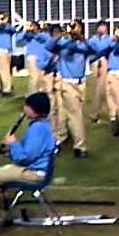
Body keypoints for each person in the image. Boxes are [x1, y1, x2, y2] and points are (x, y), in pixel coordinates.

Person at [0, 92, 55, 230]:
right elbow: (29, 154)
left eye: (27, 106)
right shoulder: (42, 126)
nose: (24, 108)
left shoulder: (38, 129)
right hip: (35, 170)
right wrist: (8, 151)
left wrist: (13, 143)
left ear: (34, 109)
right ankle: (0, 213)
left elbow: (25, 158)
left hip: (33, 173)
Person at [52, 22, 91, 158]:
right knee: (76, 114)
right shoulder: (64, 44)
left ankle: (58, 139)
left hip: (81, 83)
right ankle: (80, 146)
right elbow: (49, 46)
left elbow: (95, 50)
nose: (73, 29)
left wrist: (80, 37)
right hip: (67, 83)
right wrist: (61, 35)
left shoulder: (84, 45)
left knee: (64, 112)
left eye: (76, 27)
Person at [87, 22, 115, 123]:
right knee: (100, 90)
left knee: (108, 89)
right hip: (97, 64)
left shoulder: (109, 39)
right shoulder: (92, 40)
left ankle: (113, 114)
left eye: (104, 27)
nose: (103, 29)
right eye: (101, 27)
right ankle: (95, 114)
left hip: (106, 63)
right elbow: (96, 50)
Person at [16, 21, 53, 95]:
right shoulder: (28, 36)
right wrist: (26, 31)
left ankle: (40, 94)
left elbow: (43, 38)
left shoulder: (46, 35)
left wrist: (35, 33)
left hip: (43, 59)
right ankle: (31, 94)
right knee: (34, 78)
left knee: (42, 78)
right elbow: (18, 40)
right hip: (32, 58)